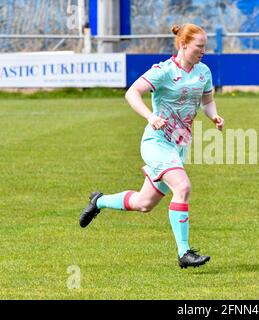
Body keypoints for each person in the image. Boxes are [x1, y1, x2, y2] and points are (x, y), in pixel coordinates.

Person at [79, 23, 224, 269]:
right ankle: (184, 253)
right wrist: (150, 116)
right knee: (183, 187)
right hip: (156, 144)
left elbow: (207, 100)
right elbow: (132, 93)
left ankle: (99, 201)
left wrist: (214, 116)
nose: (203, 51)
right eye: (199, 46)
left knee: (144, 204)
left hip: (178, 147)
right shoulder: (164, 71)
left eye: (205, 46)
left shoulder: (204, 72)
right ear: (184, 44)